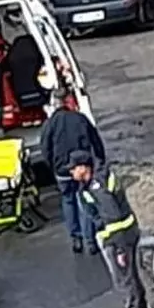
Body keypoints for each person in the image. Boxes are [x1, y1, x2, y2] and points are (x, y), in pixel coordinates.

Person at [69, 151, 153, 308]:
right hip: (122, 236)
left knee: (125, 279)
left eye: (74, 168)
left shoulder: (97, 187)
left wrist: (120, 248)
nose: (71, 172)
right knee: (128, 277)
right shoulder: (95, 183)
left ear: (84, 168)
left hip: (118, 239)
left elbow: (114, 218)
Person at [40, 90, 107, 254]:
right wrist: (99, 161)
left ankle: (76, 238)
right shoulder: (80, 118)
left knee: (68, 200)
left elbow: (45, 148)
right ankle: (91, 241)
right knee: (85, 201)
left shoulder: (50, 124)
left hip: (62, 170)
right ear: (68, 101)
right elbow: (95, 141)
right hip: (82, 167)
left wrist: (53, 166)